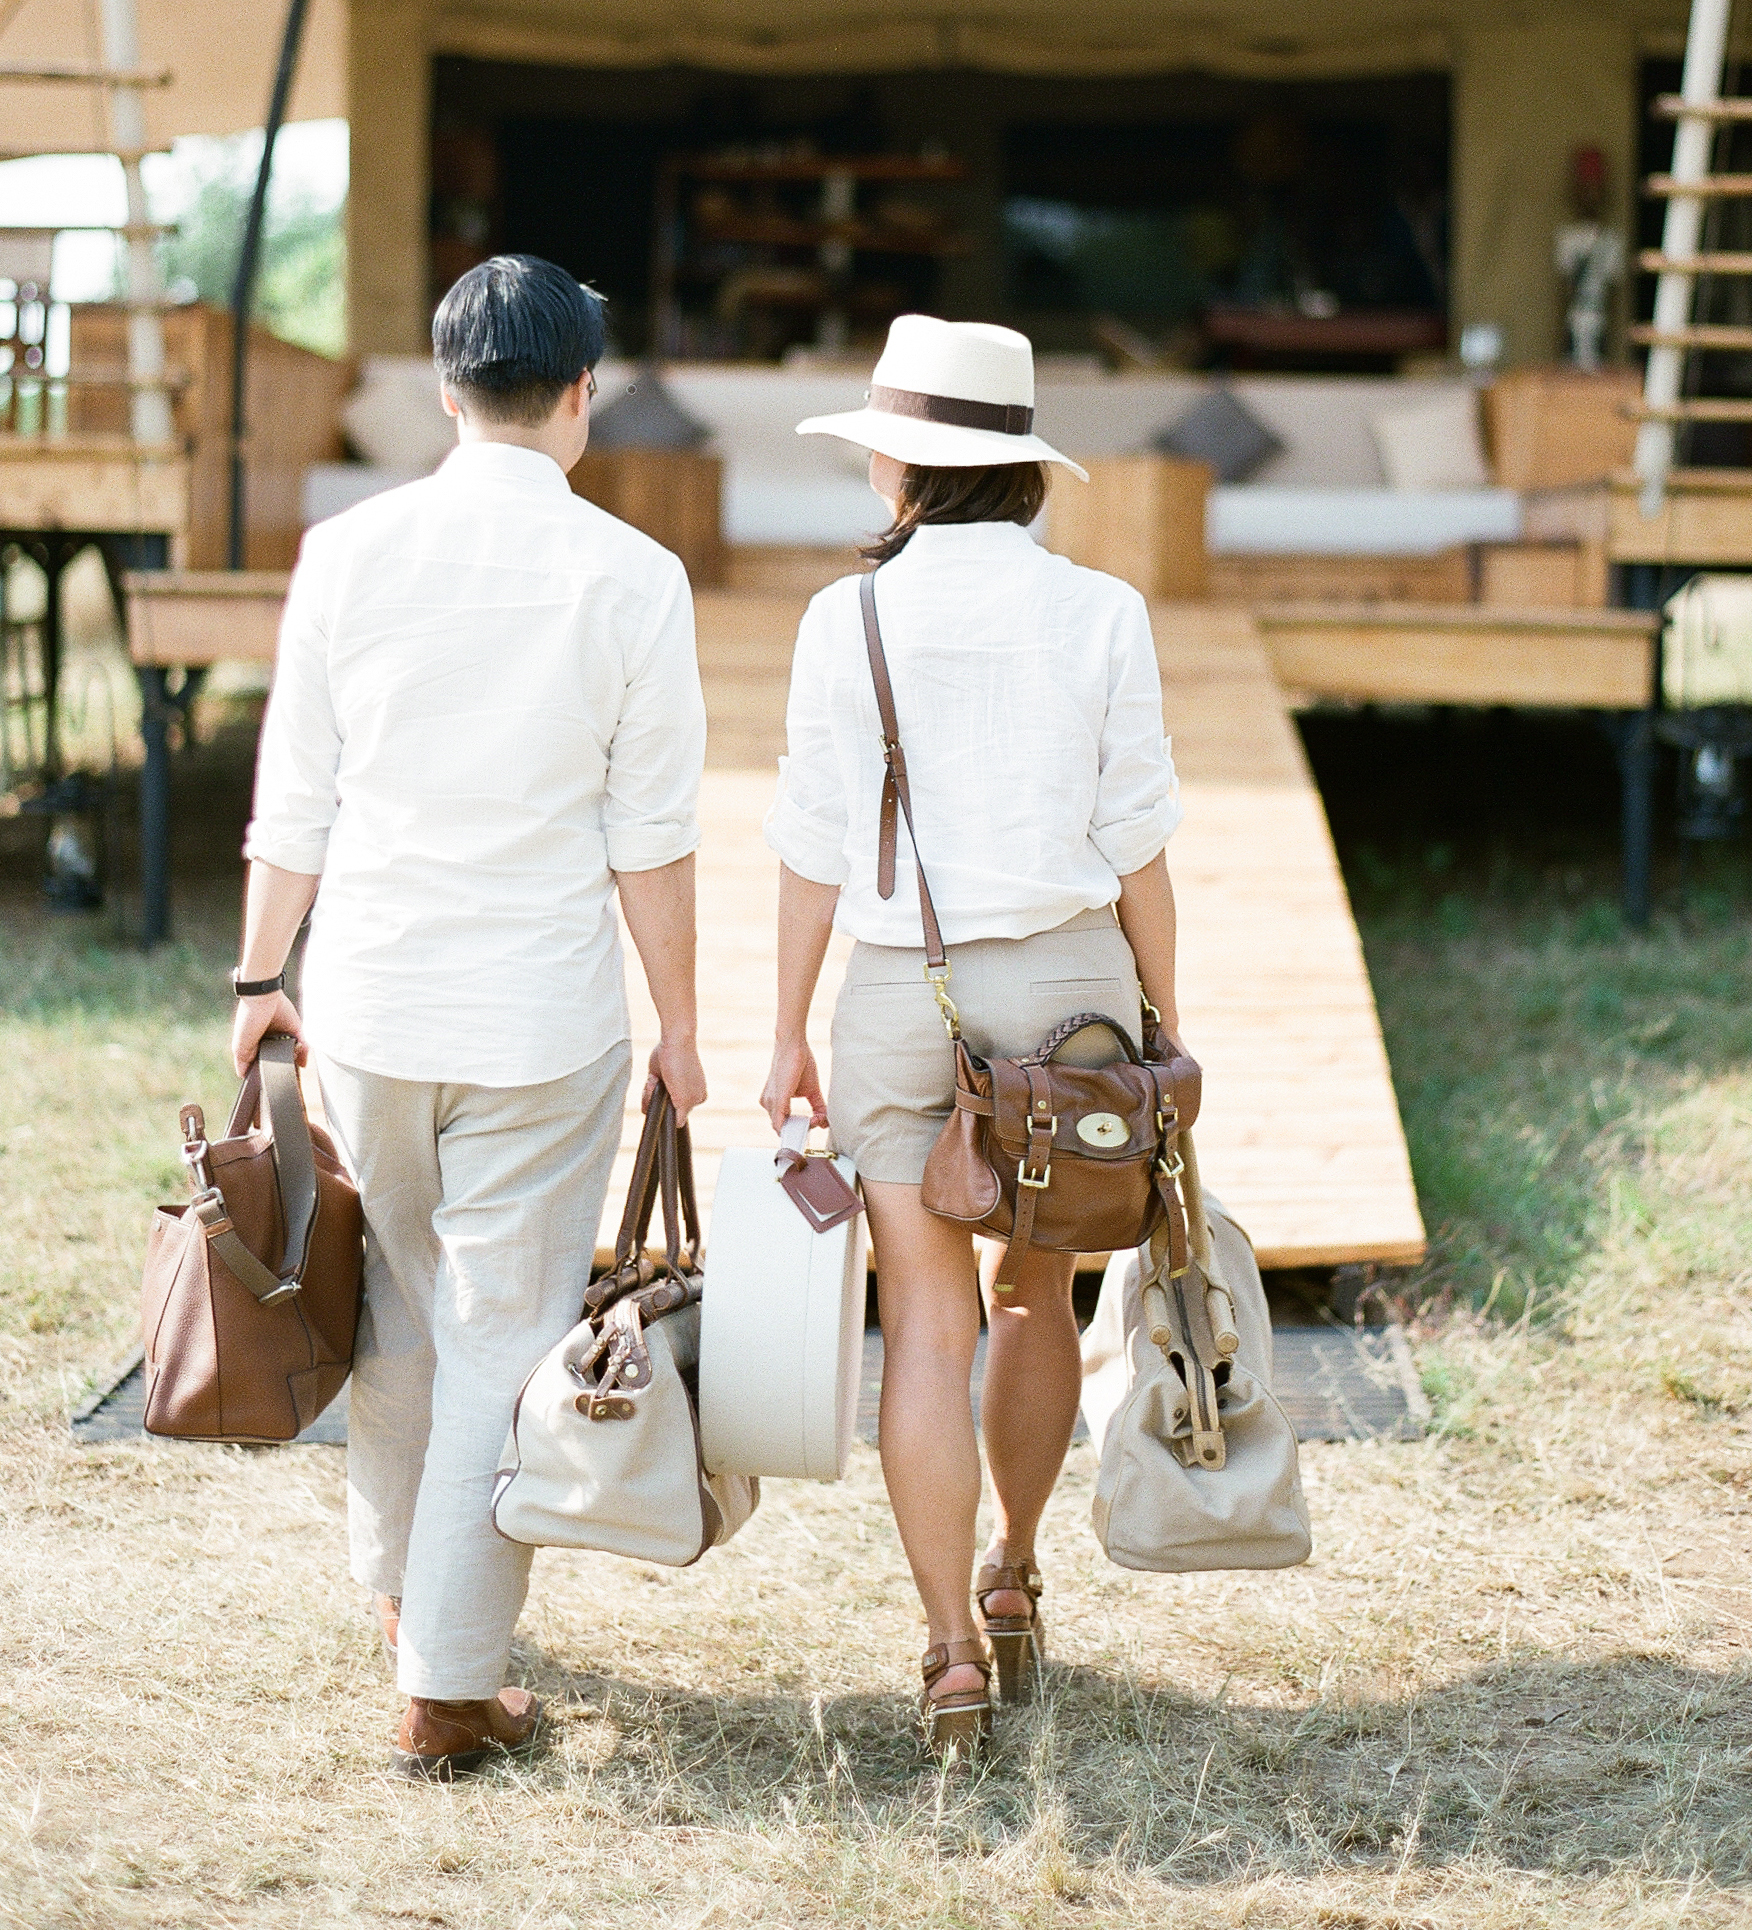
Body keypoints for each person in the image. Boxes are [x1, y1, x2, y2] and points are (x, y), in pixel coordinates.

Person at [233, 255, 708, 1779]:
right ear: (581, 397)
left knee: (400, 1304)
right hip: (537, 1019)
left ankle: (401, 1593)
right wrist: (682, 1024)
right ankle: (448, 1681)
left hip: (369, 1001)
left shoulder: (346, 552)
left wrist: (259, 985)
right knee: (502, 1333)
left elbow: (292, 797)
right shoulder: (635, 576)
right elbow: (654, 833)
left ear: (446, 390)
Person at [760, 315, 1184, 1756]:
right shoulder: (1103, 610)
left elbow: (812, 846)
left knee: (925, 1330)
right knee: (1035, 1302)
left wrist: (782, 1033)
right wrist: (1165, 1030)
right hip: (1073, 1002)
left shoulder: (847, 617)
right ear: (1019, 464)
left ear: (903, 464)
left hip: (900, 991)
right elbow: (1140, 857)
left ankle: (945, 1652)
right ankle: (1012, 1568)